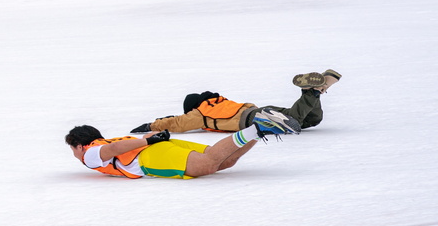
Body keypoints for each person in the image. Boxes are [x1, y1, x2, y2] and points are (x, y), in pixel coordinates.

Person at [65, 111, 301, 181]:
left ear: (79, 144)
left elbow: (112, 152)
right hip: (159, 145)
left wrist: (148, 141)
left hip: (150, 157)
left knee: (207, 165)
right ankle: (261, 131)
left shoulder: (90, 153)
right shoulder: (108, 140)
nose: (74, 154)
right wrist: (152, 137)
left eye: (72, 149)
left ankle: (256, 128)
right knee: (222, 160)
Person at [130, 71, 342, 134]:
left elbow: (176, 123)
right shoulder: (218, 102)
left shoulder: (200, 113)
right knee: (311, 120)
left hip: (257, 119)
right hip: (260, 111)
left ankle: (310, 90)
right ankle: (316, 90)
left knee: (294, 120)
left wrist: (150, 126)